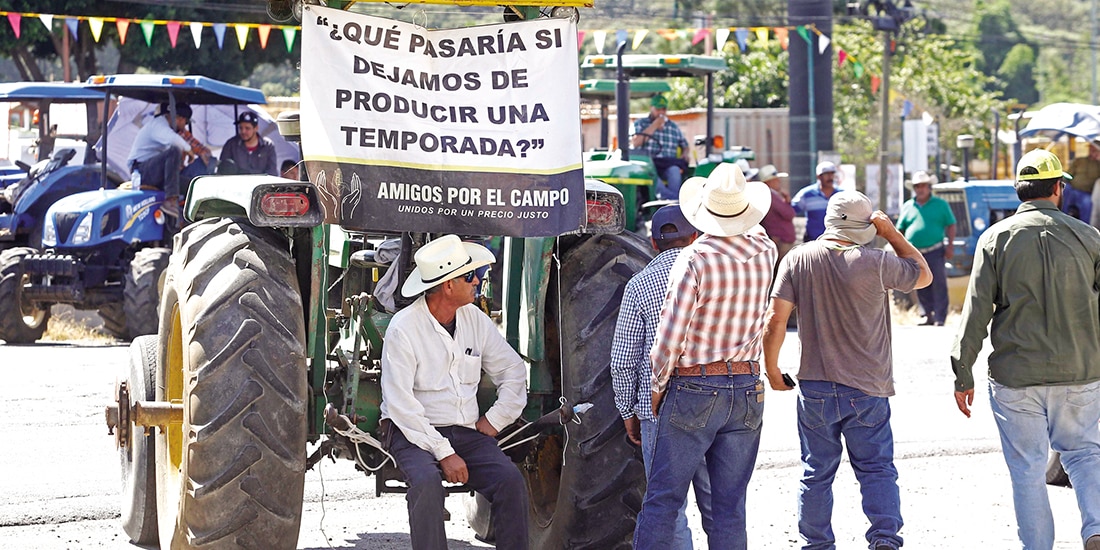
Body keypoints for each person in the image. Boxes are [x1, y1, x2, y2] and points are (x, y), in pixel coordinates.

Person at [762, 190, 930, 550]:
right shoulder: (876, 261)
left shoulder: (797, 259)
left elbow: (775, 321)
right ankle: (884, 539)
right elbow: (923, 275)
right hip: (868, 387)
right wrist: (892, 233)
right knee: (876, 469)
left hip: (815, 388)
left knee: (815, 473)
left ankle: (817, 544)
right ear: (865, 226)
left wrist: (772, 369)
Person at [951, 149, 1100, 550]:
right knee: (1085, 454)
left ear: (1020, 191)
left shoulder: (995, 239)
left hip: (1016, 379)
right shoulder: (1089, 238)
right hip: (1081, 372)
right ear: (1057, 188)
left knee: (1028, 470)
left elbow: (975, 313)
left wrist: (962, 371)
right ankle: (1095, 530)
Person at [634, 162, 776, 550]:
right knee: (729, 507)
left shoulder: (694, 259)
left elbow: (668, 339)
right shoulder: (766, 249)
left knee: (663, 501)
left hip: (695, 385)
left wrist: (657, 389)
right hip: (747, 385)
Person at [379, 235, 529, 550]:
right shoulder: (403, 329)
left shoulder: (475, 319)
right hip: (412, 432)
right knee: (426, 483)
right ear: (448, 285)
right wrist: (444, 452)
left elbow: (513, 371)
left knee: (510, 480)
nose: (478, 281)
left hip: (465, 431)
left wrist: (496, 419)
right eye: (470, 276)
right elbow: (400, 405)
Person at [610, 204, 712, 549]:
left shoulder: (639, 285)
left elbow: (623, 359)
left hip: (659, 406)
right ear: (695, 237)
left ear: (652, 243)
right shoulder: (714, 277)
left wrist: (628, 411)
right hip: (714, 398)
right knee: (719, 505)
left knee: (669, 506)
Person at [125, 102, 213, 218]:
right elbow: (175, 141)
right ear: (180, 119)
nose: (184, 126)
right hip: (142, 171)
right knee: (174, 150)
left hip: (155, 172)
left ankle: (196, 216)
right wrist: (189, 151)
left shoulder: (165, 128)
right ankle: (170, 201)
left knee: (192, 185)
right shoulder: (158, 125)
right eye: (185, 123)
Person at [896, 170, 956, 326]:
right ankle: (926, 314)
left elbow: (951, 224)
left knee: (939, 283)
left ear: (929, 187)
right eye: (917, 186)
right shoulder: (908, 206)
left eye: (923, 186)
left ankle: (940, 317)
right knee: (920, 282)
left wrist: (950, 246)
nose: (920, 189)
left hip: (935, 250)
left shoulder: (940, 204)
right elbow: (900, 228)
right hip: (914, 252)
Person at [632, 94, 691, 200]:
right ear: (651, 108)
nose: (661, 112)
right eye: (658, 109)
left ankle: (673, 201)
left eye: (663, 109)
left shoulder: (673, 127)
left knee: (674, 171)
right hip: (648, 163)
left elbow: (685, 145)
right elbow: (635, 143)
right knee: (651, 175)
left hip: (668, 162)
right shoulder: (640, 123)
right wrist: (655, 125)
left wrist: (685, 153)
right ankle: (674, 201)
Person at [792, 161, 842, 242]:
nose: (830, 177)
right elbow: (790, 211)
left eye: (832, 174)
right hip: (813, 241)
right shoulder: (806, 194)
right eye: (826, 174)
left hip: (836, 242)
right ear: (818, 177)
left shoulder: (842, 194)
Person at [218, 110, 279, 176]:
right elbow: (222, 169)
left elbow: (272, 172)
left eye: (247, 128)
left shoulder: (268, 145)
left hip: (261, 185)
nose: (243, 131)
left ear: (256, 128)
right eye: (241, 128)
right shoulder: (231, 144)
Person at [757, 164, 796, 263]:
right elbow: (789, 214)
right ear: (769, 182)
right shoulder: (771, 196)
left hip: (779, 241)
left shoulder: (771, 195)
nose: (779, 182)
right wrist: (787, 202)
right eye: (776, 179)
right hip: (781, 242)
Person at [1065, 142, 1100, 223]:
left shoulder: (1098, 164)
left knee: (1087, 203)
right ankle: (1061, 220)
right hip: (1072, 190)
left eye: (1094, 150)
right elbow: (1068, 175)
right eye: (1090, 149)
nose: (1091, 151)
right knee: (1064, 189)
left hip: (1086, 193)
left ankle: (1085, 229)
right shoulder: (1079, 160)